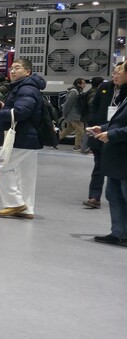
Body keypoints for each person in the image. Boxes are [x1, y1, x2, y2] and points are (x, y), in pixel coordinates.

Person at [0, 58, 46, 219]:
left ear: (28, 72)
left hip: (21, 137)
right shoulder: (27, 87)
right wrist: (5, 107)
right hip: (28, 137)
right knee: (26, 175)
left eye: (17, 68)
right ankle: (27, 209)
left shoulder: (26, 88)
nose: (12, 71)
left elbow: (21, 111)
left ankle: (15, 204)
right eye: (11, 68)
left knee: (1, 166)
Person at [87, 62, 127, 245]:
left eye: (120, 71)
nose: (116, 74)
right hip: (116, 156)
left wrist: (111, 134)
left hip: (123, 155)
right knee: (113, 194)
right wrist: (102, 128)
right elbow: (118, 121)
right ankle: (118, 233)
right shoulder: (115, 92)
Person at [83, 76, 113, 208]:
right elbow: (94, 107)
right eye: (114, 73)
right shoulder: (105, 88)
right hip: (100, 131)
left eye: (119, 72)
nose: (115, 75)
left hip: (119, 135)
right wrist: (93, 124)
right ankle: (94, 197)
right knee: (99, 167)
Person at [59, 78, 86, 151]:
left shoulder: (77, 91)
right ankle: (77, 146)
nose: (85, 85)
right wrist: (64, 113)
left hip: (74, 115)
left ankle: (53, 142)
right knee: (80, 131)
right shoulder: (74, 92)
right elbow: (68, 103)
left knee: (69, 129)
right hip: (74, 115)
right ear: (78, 84)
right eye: (83, 83)